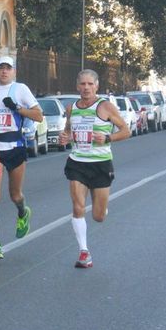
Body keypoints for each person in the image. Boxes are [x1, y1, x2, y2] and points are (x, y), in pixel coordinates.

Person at [58, 69, 130, 268]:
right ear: (77, 86)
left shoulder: (105, 106)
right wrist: (64, 137)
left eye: (90, 84)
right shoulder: (72, 108)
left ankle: (101, 206)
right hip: (77, 162)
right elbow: (68, 130)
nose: (86, 88)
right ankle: (84, 252)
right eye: (82, 84)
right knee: (77, 206)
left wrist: (108, 138)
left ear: (96, 86)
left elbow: (126, 131)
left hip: (100, 164)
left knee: (98, 216)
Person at [0, 56, 43, 260]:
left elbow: (39, 115)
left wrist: (17, 108)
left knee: (15, 195)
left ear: (14, 71)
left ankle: (22, 212)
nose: (4, 71)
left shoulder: (20, 89)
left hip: (16, 147)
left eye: (8, 68)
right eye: (1, 68)